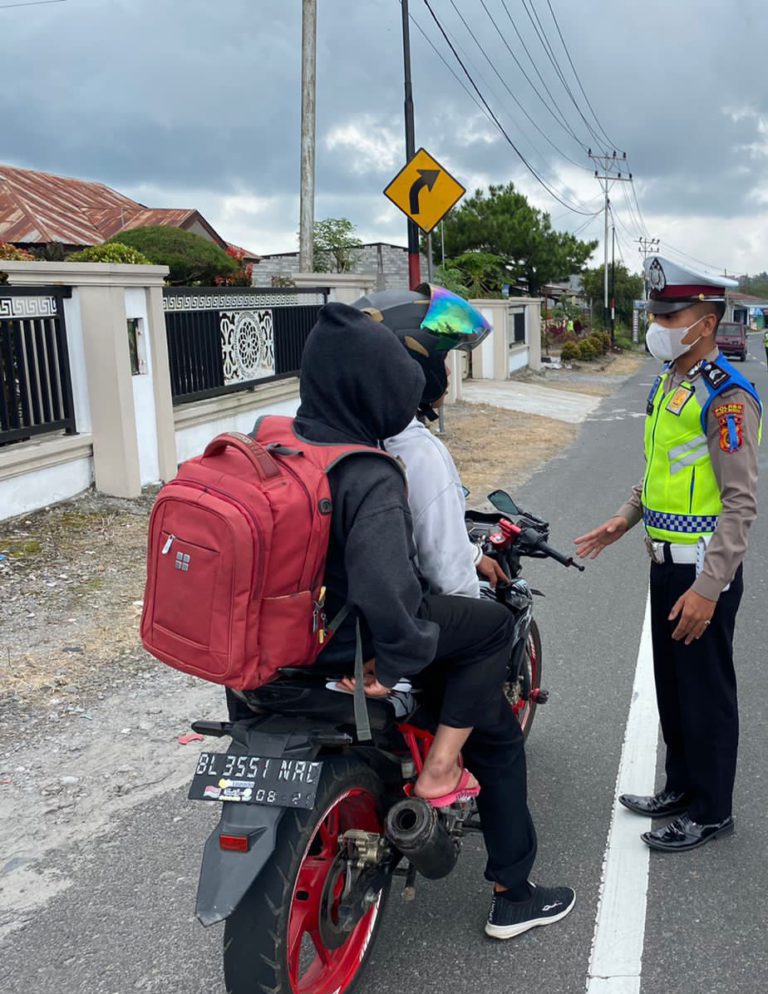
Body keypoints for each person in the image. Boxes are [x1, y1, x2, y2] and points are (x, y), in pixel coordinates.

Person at [294, 301, 575, 937]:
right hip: (371, 640)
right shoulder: (404, 453)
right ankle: (512, 891)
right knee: (497, 716)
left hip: (303, 636)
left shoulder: (292, 434)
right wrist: (406, 656)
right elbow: (439, 574)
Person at [575, 256, 761, 853]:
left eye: (669, 313)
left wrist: (709, 588)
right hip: (664, 562)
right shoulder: (669, 382)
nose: (657, 322)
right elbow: (659, 472)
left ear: (705, 322)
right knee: (674, 687)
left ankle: (712, 810)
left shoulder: (728, 399)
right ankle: (681, 787)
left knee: (705, 692)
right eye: (655, 311)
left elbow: (740, 503)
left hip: (701, 568)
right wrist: (625, 519)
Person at [351, 285, 506, 596]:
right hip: (398, 622)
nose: (447, 369)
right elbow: (449, 578)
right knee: (496, 626)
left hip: (349, 609)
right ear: (415, 361)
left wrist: (474, 555)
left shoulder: (354, 430)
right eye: (442, 357)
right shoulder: (415, 448)